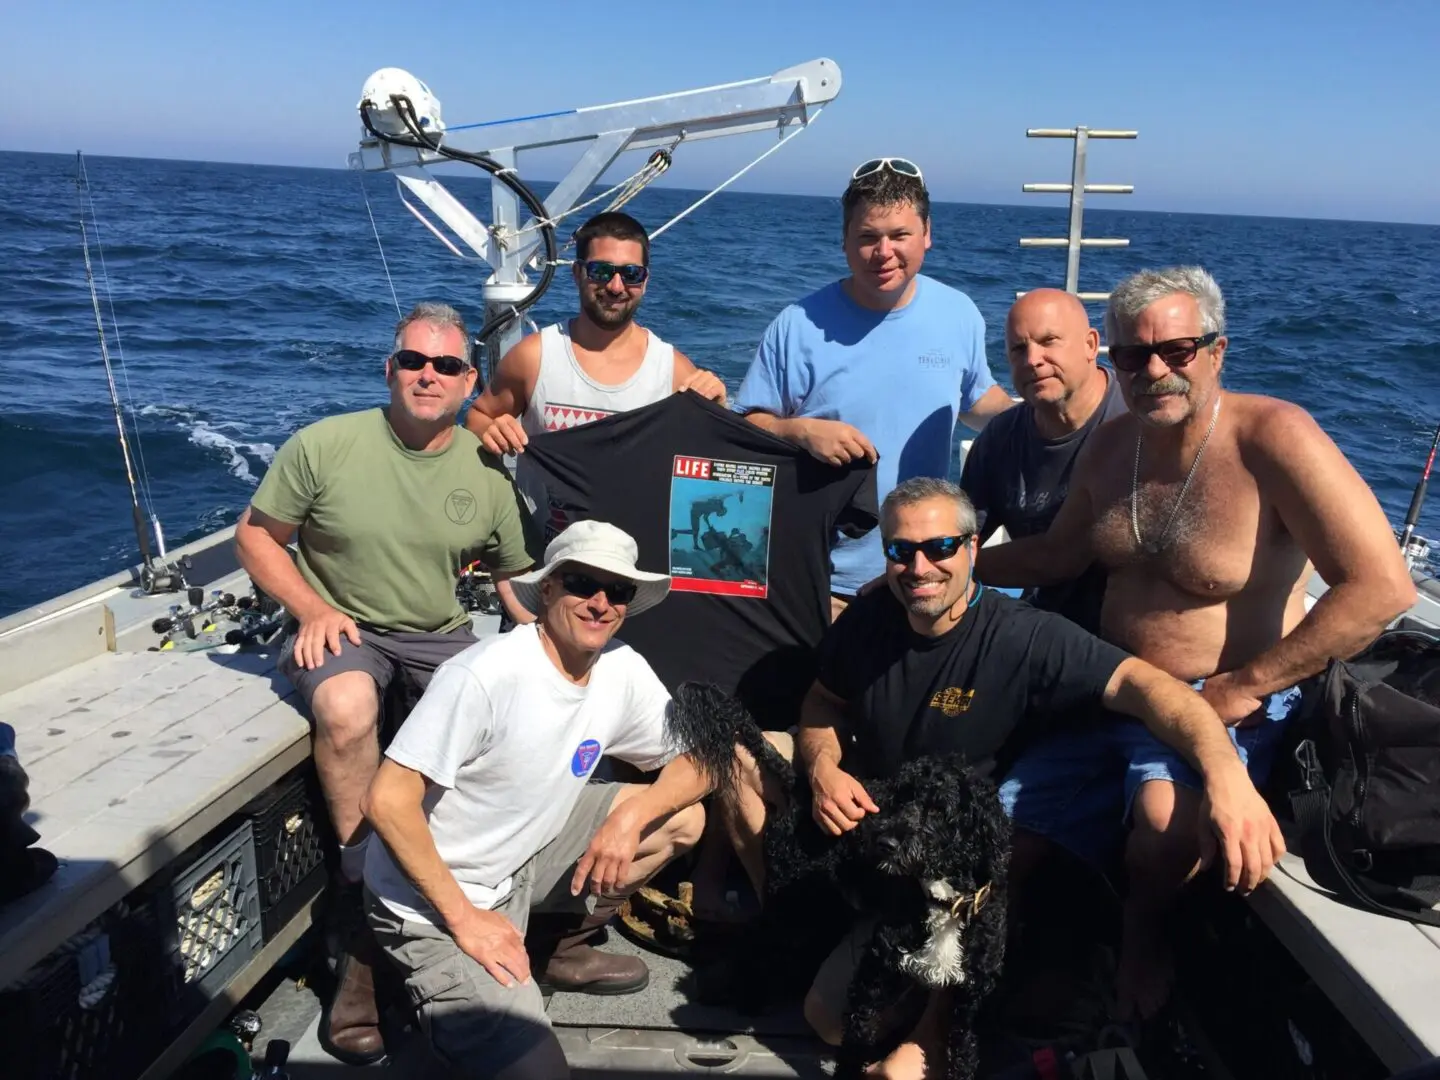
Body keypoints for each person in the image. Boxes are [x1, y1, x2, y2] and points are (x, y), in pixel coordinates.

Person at [721, 477, 1283, 1079]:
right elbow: (822, 704)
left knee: (828, 1019)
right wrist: (824, 766)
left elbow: (1154, 692)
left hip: (937, 868)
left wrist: (1226, 774)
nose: (919, 566)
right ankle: (785, 921)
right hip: (866, 822)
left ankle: (926, 1018)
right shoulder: (869, 618)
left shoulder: (1026, 637)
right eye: (900, 550)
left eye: (939, 547)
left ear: (971, 548)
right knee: (735, 758)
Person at [975, 265, 1419, 1020]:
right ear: (1111, 361)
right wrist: (939, 562)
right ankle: (998, 976)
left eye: (1177, 351)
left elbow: (1380, 587)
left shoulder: (1275, 437)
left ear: (1217, 350)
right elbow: (1057, 556)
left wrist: (1248, 685)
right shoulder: (1113, 447)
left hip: (1226, 699)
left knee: (1162, 827)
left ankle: (1142, 936)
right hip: (1113, 688)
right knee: (1000, 836)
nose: (1154, 371)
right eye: (1131, 357)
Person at [235, 301, 537, 1065]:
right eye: (413, 361)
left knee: (507, 717)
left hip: (438, 636)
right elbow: (256, 534)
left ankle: (522, 914)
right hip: (346, 626)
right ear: (390, 367)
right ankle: (362, 908)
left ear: (472, 380)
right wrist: (308, 606)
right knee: (344, 703)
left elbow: (514, 580)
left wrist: (557, 645)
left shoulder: (486, 472)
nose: (426, 376)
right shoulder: (325, 444)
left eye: (446, 366)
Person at [361, 520, 713, 1080]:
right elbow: (386, 801)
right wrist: (467, 920)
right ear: (546, 589)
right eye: (581, 583)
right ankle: (425, 987)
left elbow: (701, 759)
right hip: (439, 898)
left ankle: (551, 951)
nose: (600, 603)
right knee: (540, 1072)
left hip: (525, 854)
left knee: (681, 820)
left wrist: (633, 819)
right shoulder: (485, 674)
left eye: (617, 591)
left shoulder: (619, 666)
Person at [731, 157, 1015, 619]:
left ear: (927, 234)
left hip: (926, 571)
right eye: (867, 237)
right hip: (825, 580)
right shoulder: (797, 325)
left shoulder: (959, 313)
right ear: (844, 242)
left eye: (899, 235)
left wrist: (1042, 420)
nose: (883, 251)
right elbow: (746, 426)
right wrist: (800, 431)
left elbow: (975, 399)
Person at [463, 209, 728, 460]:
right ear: (577, 274)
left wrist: (719, 413)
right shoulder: (534, 357)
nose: (615, 286)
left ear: (645, 282)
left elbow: (709, 460)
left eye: (631, 274)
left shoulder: (674, 373)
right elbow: (480, 416)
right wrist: (490, 431)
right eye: (600, 271)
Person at [960, 288, 1127, 631]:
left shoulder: (1136, 425)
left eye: (1049, 341)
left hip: (1131, 637)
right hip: (1047, 629)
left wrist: (955, 564)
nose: (1033, 360)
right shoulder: (1000, 438)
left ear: (1091, 345)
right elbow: (962, 538)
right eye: (1019, 349)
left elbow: (1058, 558)